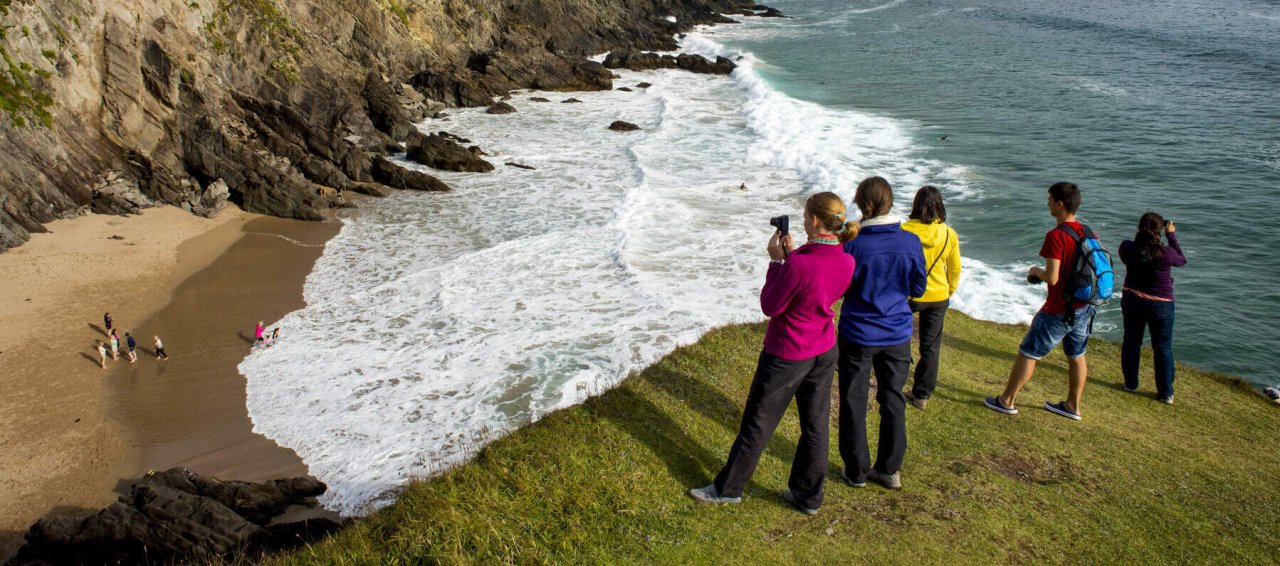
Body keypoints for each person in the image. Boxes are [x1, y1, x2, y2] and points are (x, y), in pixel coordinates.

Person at [689, 192, 856, 515]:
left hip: (788, 352)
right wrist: (792, 255)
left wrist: (777, 261)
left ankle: (728, 489)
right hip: (823, 348)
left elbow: (770, 305)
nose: (804, 219)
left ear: (816, 221)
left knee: (758, 423)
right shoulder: (846, 260)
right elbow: (816, 280)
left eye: (807, 215)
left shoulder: (798, 265)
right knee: (816, 425)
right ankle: (808, 496)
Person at [836, 176, 927, 490]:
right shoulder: (910, 242)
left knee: (853, 399)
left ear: (862, 204)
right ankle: (889, 469)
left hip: (858, 332)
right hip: (897, 332)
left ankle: (856, 470)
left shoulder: (854, 244)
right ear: (890, 203)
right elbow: (918, 288)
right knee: (892, 398)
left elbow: (840, 287)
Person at [985, 182, 1100, 421]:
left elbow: (1053, 277)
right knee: (1077, 355)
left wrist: (1036, 271)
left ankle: (1006, 400)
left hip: (1059, 308)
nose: (1047, 203)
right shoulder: (1088, 232)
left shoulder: (1056, 236)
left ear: (1059, 204)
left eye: (1049, 199)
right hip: (1084, 306)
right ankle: (1072, 406)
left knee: (1029, 352)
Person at [900, 186, 962, 410]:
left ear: (916, 204)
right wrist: (949, 291)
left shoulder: (905, 230)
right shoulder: (948, 233)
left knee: (901, 338)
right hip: (938, 295)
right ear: (940, 206)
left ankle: (896, 381)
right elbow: (955, 269)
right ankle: (922, 395)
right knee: (931, 347)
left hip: (908, 294)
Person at [1118, 213, 1185, 404]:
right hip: (1161, 303)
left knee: (1131, 341)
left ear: (1140, 227)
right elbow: (1181, 260)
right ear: (1160, 230)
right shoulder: (1165, 254)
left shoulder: (1127, 247)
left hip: (1132, 298)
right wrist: (1171, 236)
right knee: (1162, 346)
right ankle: (1165, 393)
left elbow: (1130, 257)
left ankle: (1131, 384)